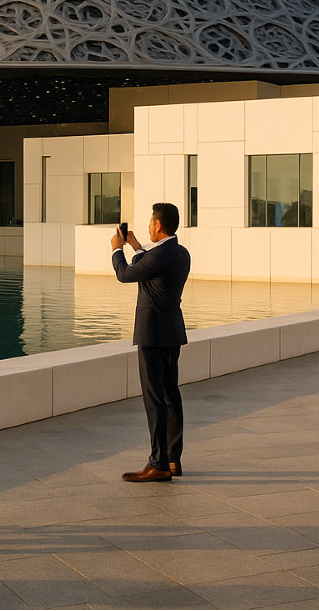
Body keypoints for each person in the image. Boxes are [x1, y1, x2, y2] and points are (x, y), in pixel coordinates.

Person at [111, 202, 191, 483]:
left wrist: (116, 249)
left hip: (152, 334)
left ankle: (157, 463)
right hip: (172, 332)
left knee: (154, 398)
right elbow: (148, 267)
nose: (147, 226)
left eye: (149, 222)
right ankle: (172, 459)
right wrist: (136, 247)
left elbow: (125, 275)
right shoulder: (181, 253)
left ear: (158, 225)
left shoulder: (160, 256)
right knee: (171, 395)